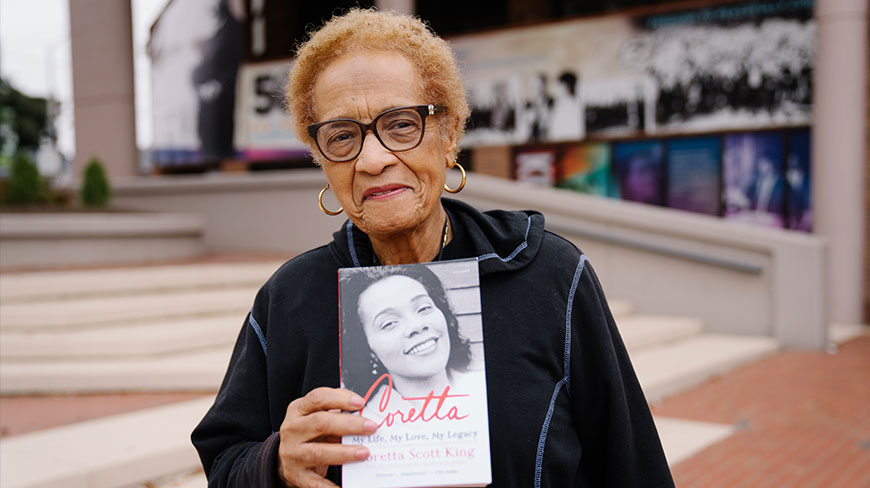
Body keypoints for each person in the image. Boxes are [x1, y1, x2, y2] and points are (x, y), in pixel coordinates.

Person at [191, 8, 674, 488]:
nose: (374, 159)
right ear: (321, 160)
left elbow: (632, 464)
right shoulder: (290, 297)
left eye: (401, 125)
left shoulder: (550, 274)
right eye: (342, 137)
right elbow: (226, 459)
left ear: (449, 134)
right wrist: (274, 464)